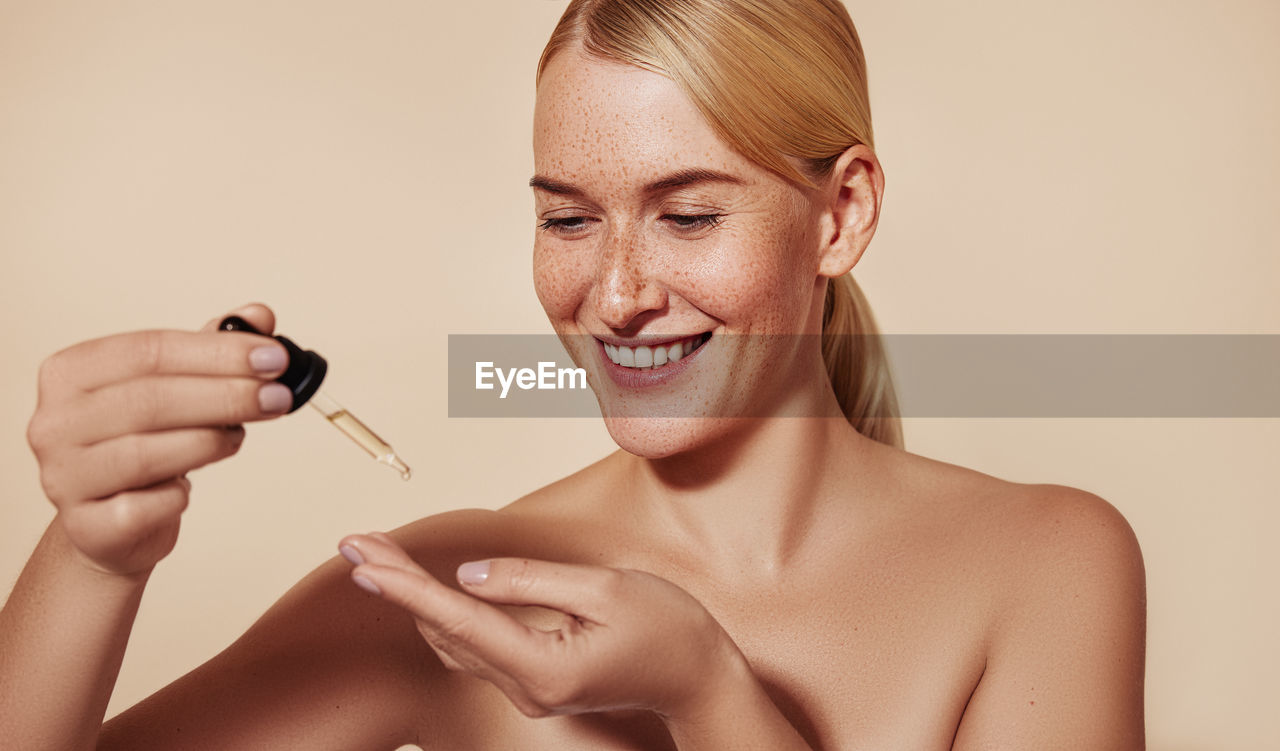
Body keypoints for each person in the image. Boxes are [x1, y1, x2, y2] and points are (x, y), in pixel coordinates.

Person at [0, 0, 1146, 748]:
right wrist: (96, 553)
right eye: (566, 219)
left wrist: (706, 693)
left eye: (687, 215)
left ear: (839, 214)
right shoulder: (453, 594)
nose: (614, 294)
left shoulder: (1042, 562)